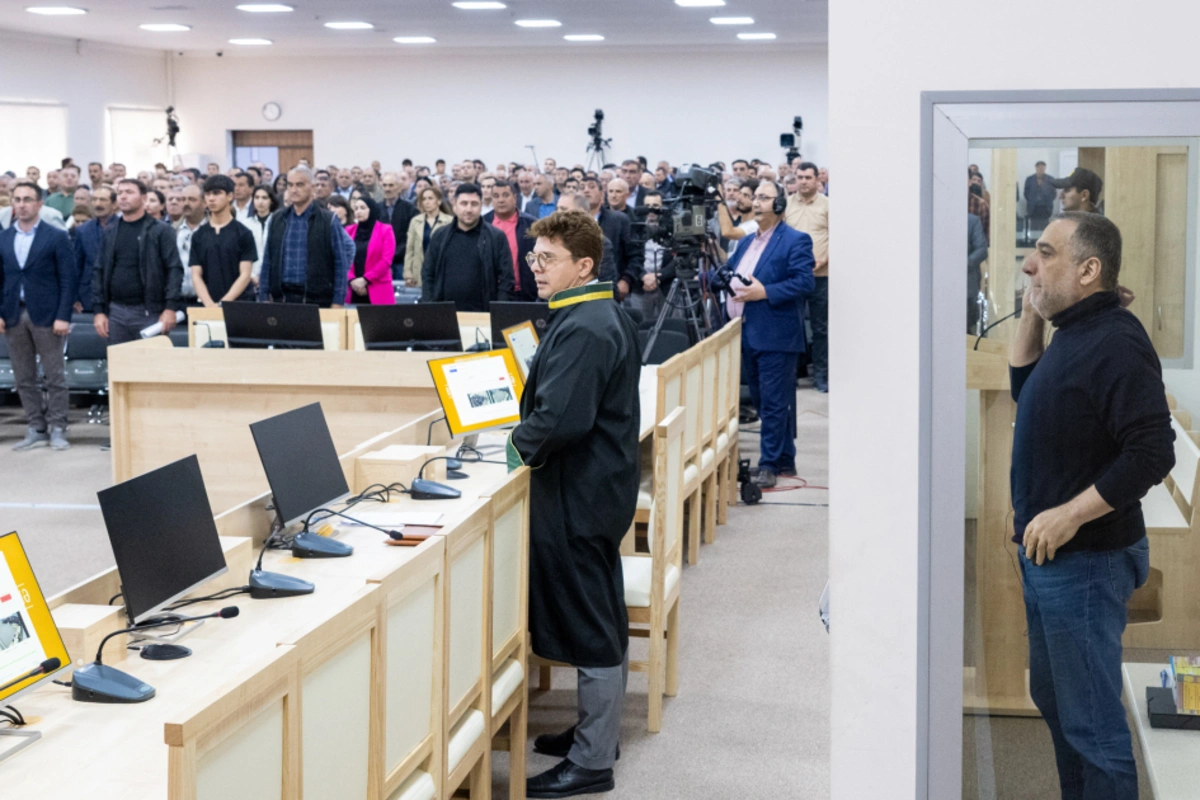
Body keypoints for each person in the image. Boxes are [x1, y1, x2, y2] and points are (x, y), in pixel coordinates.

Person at [1009, 212, 1173, 800]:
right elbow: (1025, 390)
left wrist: (1067, 514)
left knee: (1093, 729)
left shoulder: (1117, 341)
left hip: (1086, 561)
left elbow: (1153, 452)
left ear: (1088, 270)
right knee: (1059, 706)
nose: (1030, 265)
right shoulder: (1075, 329)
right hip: (1053, 558)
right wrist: (1032, 312)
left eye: (1046, 253)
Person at [507, 210, 641, 800]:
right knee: (602, 612)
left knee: (590, 624)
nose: (536, 268)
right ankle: (597, 735)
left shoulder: (586, 325)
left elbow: (561, 419)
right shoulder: (593, 312)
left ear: (583, 265)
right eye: (533, 257)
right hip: (595, 487)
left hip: (579, 494)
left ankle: (592, 762)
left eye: (548, 259)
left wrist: (507, 454)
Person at [726, 181, 814, 488]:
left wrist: (766, 292)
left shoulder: (795, 240)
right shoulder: (747, 242)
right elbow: (729, 272)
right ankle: (785, 459)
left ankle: (768, 464)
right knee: (764, 401)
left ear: (779, 205)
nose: (756, 203)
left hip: (776, 334)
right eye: (755, 197)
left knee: (774, 403)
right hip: (747, 332)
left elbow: (805, 282)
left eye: (764, 198)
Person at [0, 182, 76, 451]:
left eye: (27, 199)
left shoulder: (56, 236)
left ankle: (58, 427)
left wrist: (63, 315)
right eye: (17, 199)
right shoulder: (4, 237)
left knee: (55, 376)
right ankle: (36, 427)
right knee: (23, 377)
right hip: (13, 313)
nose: (21, 205)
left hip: (48, 315)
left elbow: (68, 279)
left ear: (39, 204)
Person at [92, 178, 184, 344]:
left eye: (129, 192)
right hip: (115, 311)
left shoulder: (161, 230)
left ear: (143, 198)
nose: (123, 196)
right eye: (120, 193)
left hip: (150, 311)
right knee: (118, 360)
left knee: (151, 360)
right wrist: (99, 311)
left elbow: (174, 269)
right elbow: (99, 270)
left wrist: (170, 307)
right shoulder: (110, 230)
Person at [257, 166, 352, 308]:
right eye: (290, 185)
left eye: (299, 184)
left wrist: (338, 301)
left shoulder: (328, 220)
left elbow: (340, 263)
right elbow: (267, 261)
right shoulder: (277, 218)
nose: (294, 189)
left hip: (318, 300)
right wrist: (263, 296)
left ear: (312, 187)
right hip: (282, 299)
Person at [420, 183, 513, 311]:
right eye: (464, 203)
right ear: (454, 206)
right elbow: (428, 274)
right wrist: (430, 306)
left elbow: (506, 279)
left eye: (474, 204)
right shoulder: (440, 236)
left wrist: (498, 311)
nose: (469, 209)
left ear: (481, 206)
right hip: (444, 313)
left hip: (483, 314)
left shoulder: (496, 237)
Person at [784, 162, 830, 392]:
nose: (803, 181)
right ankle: (792, 374)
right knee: (793, 326)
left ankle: (821, 376)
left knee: (821, 329)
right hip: (793, 277)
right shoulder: (786, 205)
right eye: (799, 177)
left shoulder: (828, 205)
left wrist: (825, 259)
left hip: (821, 275)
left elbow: (838, 236)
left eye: (808, 177)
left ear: (817, 179)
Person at [188, 175, 257, 308]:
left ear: (230, 196)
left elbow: (245, 274)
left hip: (239, 306)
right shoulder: (198, 235)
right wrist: (209, 304)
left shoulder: (243, 233)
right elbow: (196, 275)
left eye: (216, 193)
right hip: (208, 306)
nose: (211, 198)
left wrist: (222, 304)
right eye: (207, 194)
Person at [582, 177, 640, 301]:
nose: (586, 190)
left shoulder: (618, 220)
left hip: (611, 289)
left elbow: (635, 255)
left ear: (602, 194)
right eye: (582, 188)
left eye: (591, 187)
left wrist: (626, 279)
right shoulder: (572, 223)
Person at [483, 180, 538, 301]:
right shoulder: (482, 224)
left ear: (515, 197)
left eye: (505, 195)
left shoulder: (531, 224)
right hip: (491, 293)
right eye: (496, 196)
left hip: (525, 294)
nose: (501, 200)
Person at [72, 185, 118, 312]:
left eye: (103, 200)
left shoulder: (125, 228)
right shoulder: (83, 230)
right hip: (88, 296)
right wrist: (75, 297)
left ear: (114, 204)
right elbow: (76, 266)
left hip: (118, 297)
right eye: (95, 199)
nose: (98, 204)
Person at [345, 196, 396, 306]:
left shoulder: (386, 230)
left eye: (362, 208)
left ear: (371, 209)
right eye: (356, 208)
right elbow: (342, 259)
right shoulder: (348, 230)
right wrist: (352, 280)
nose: (358, 211)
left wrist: (365, 280)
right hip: (353, 289)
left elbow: (386, 260)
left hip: (378, 288)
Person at [405, 186, 453, 288]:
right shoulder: (415, 221)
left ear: (439, 201)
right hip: (420, 269)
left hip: (442, 270)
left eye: (430, 198)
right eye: (424, 199)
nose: (426, 202)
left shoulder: (449, 221)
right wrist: (408, 273)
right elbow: (410, 249)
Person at [379, 172, 417, 280]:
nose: (387, 189)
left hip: (402, 261)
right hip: (380, 262)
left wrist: (394, 254)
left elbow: (412, 236)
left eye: (391, 185)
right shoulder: (376, 209)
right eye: (385, 185)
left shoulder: (410, 209)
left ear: (399, 187)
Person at [175, 184, 207, 305]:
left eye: (192, 199)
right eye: (183, 199)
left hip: (207, 301)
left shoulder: (214, 230)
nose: (186, 203)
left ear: (204, 203)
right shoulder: (173, 230)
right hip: (178, 301)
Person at [245, 185, 278, 288]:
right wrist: (252, 276)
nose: (260, 202)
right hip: (249, 277)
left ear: (271, 200)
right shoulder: (246, 224)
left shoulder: (278, 222)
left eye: (264, 198)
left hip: (273, 278)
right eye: (257, 197)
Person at [967, 213, 989, 333]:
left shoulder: (971, 221)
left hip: (967, 286)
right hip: (940, 286)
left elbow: (982, 250)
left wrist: (961, 265)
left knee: (967, 328)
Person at [1023, 161, 1058, 232]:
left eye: (1043, 168)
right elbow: (1026, 193)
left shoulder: (1050, 179)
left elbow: (1054, 194)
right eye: (1039, 168)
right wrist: (1031, 200)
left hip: (1045, 208)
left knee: (1044, 229)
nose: (1041, 170)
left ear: (1045, 168)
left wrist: (1048, 200)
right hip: (1033, 208)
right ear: (1036, 168)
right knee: (1033, 228)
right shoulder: (1029, 179)